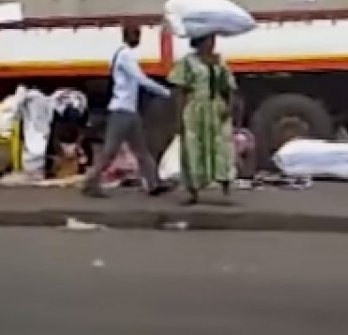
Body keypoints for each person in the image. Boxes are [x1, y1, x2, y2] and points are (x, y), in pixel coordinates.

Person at [83, 24, 173, 198]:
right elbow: (140, 79)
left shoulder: (124, 55)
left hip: (128, 111)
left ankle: (154, 184)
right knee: (111, 151)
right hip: (121, 111)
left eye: (138, 34)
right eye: (135, 34)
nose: (137, 38)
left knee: (142, 149)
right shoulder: (125, 55)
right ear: (127, 37)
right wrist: (164, 91)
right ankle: (90, 183)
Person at [168, 34, 237, 205]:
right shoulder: (187, 62)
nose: (212, 44)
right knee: (193, 149)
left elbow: (229, 86)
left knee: (222, 147)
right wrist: (177, 117)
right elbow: (180, 90)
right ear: (198, 42)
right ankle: (194, 191)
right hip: (195, 109)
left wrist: (229, 106)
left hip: (216, 108)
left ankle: (225, 185)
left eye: (213, 40)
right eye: (208, 40)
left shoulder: (219, 61)